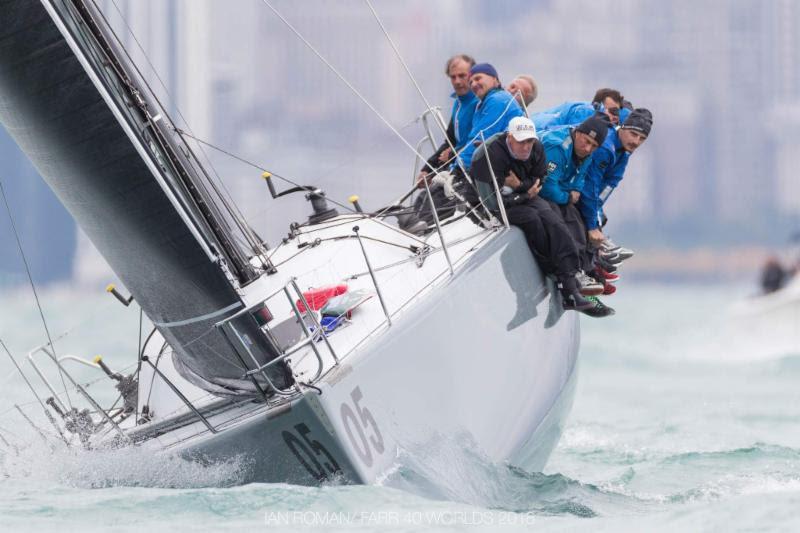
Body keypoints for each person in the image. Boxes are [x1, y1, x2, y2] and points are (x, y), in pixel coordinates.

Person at [468, 116, 612, 317]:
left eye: (529, 141)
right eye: (521, 141)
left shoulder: (537, 148)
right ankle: (554, 276)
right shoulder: (487, 155)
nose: (526, 147)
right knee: (533, 220)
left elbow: (539, 180)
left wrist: (520, 187)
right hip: (493, 206)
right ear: (510, 137)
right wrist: (526, 192)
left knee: (555, 223)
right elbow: (491, 204)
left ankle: (570, 286)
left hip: (521, 196)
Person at [537, 115, 615, 315]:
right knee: (558, 221)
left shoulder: (587, 154)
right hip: (533, 190)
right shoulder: (557, 146)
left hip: (558, 193)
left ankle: (585, 272)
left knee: (576, 217)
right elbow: (547, 188)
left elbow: (578, 184)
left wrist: (567, 195)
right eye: (586, 141)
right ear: (577, 132)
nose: (588, 148)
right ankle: (570, 281)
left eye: (594, 146)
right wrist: (566, 195)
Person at [400, 54, 480, 233]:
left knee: (436, 199)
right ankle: (410, 235)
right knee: (423, 197)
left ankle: (422, 237)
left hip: (467, 171)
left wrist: (453, 154)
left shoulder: (478, 103)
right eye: (453, 77)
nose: (458, 81)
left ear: (472, 75)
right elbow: (450, 141)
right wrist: (427, 169)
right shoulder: (459, 104)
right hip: (452, 167)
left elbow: (476, 140)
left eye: (462, 75)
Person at [455, 63, 525, 171]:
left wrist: (457, 169)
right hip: (499, 161)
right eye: (470, 82)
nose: (473, 84)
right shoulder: (483, 103)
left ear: (495, 79)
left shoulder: (498, 100)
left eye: (478, 78)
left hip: (510, 166)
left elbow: (481, 136)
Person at [532, 88, 624, 133]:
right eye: (613, 111)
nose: (616, 117)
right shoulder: (585, 112)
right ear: (598, 107)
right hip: (536, 131)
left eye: (618, 113)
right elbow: (568, 137)